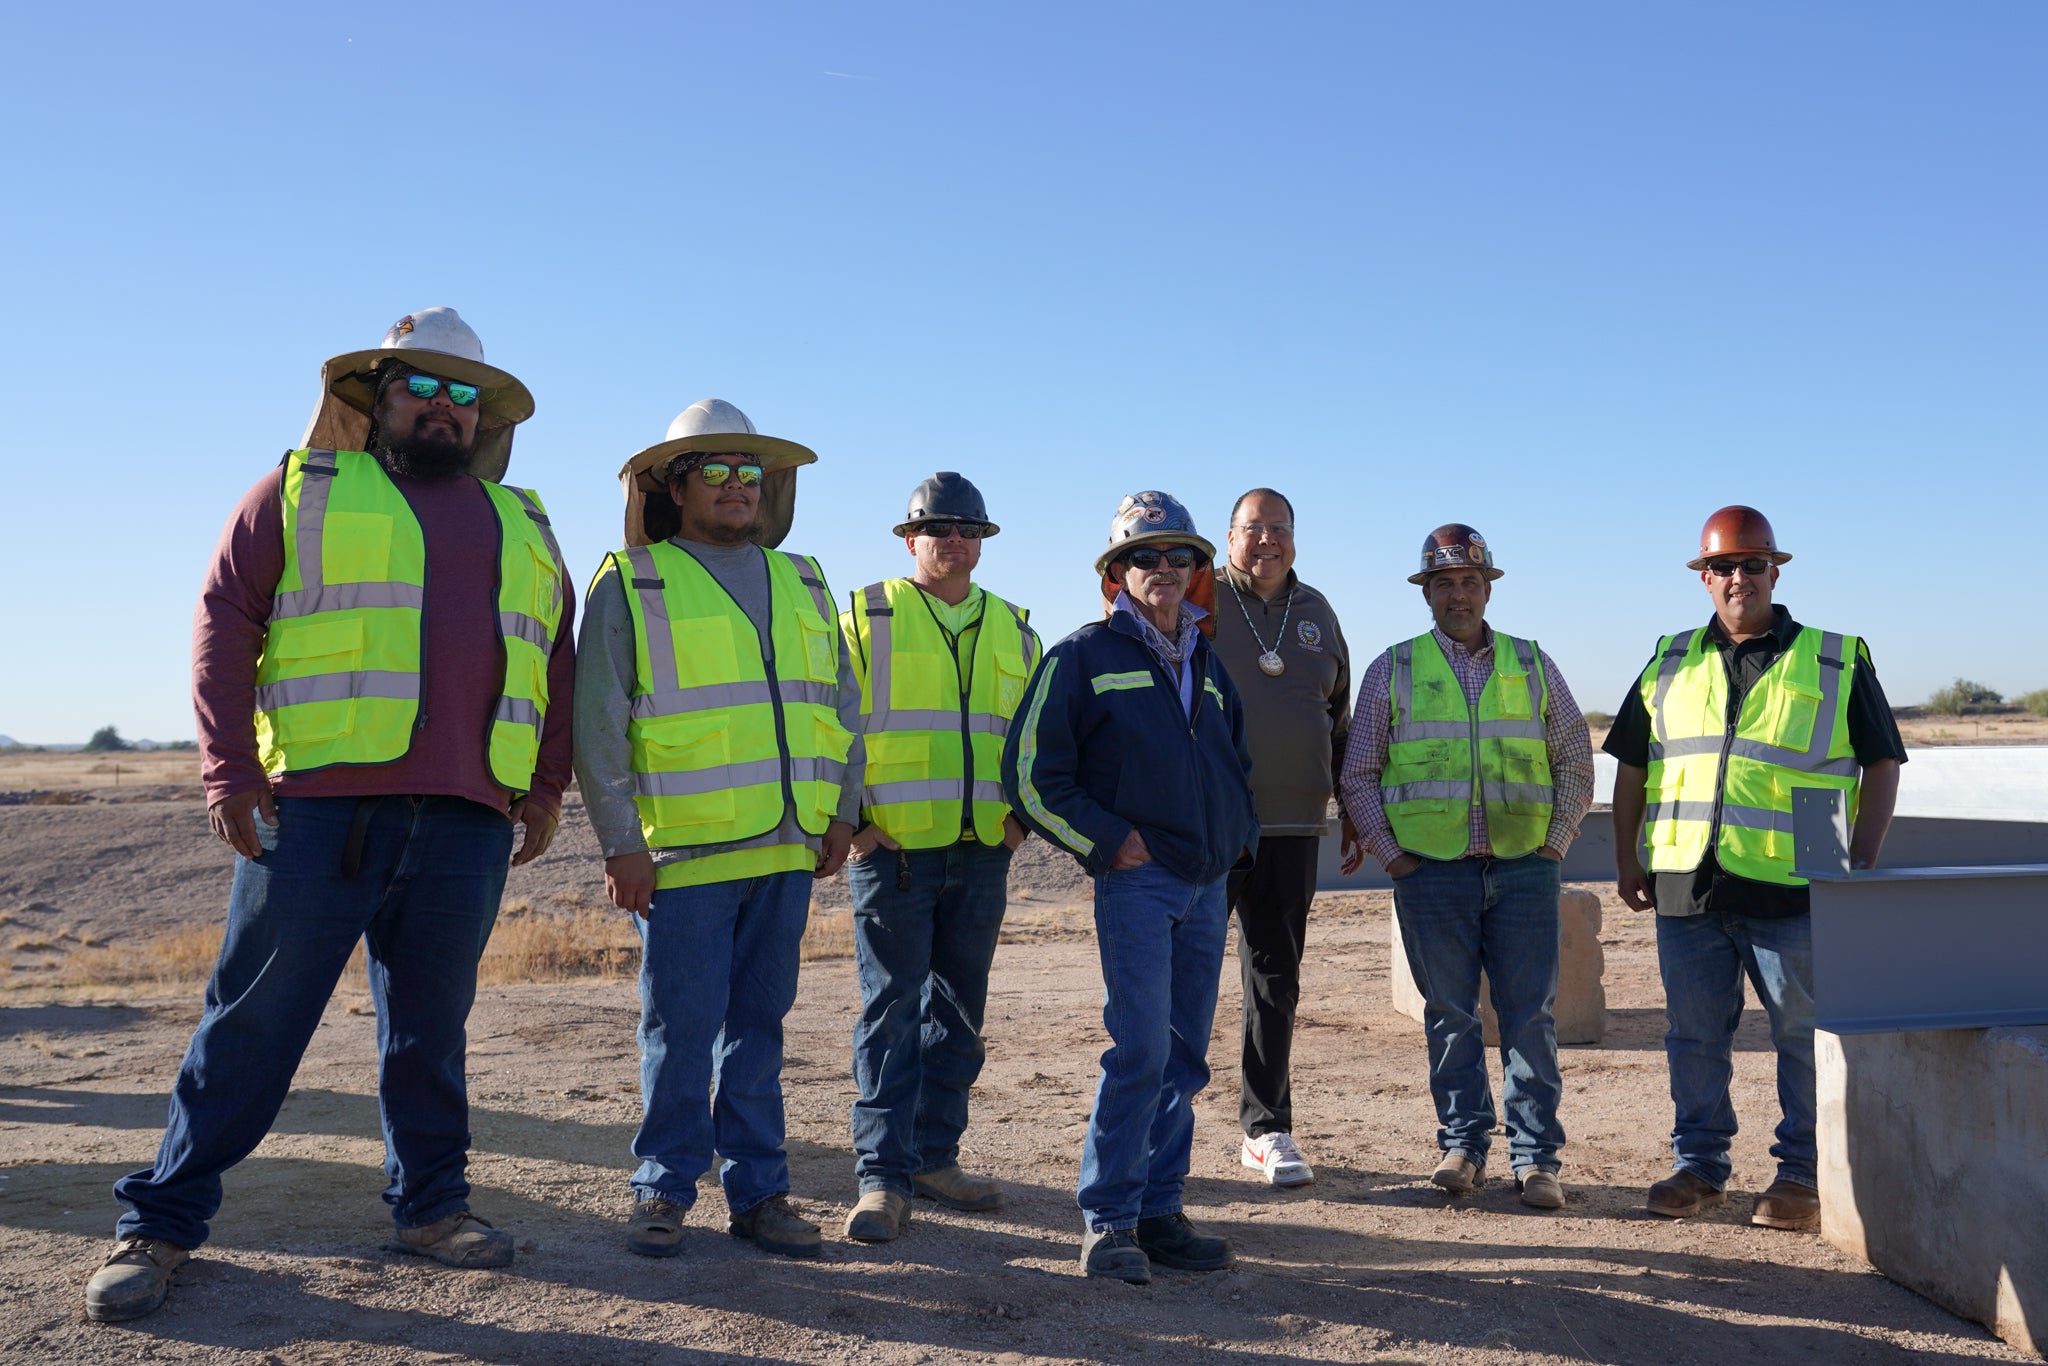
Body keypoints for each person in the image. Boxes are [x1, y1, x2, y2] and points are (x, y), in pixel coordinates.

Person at [88, 308, 574, 1323]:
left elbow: (555, 660)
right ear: (377, 395)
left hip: (466, 817)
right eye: (420, 388)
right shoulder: (298, 491)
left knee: (431, 1033)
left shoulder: (523, 522)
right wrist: (228, 769)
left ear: (479, 414)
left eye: (460, 395)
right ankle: (161, 1221)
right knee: (253, 1024)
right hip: (316, 813)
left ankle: (432, 1208)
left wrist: (543, 787)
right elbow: (225, 614)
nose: (441, 409)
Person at [575, 398, 861, 1261]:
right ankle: (662, 1189)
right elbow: (598, 722)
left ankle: (762, 1194)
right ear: (675, 484)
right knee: (680, 1030)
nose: (739, 488)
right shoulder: (633, 580)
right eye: (717, 472)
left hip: (786, 846)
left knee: (760, 1029)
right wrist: (622, 842)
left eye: (751, 473)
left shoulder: (804, 578)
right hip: (685, 853)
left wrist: (842, 810)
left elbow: (841, 703)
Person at [1606, 505, 1902, 1232]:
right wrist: (1627, 858)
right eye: (1722, 567)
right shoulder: (1669, 658)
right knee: (1694, 1034)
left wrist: (1859, 859)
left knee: (1801, 1034)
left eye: (1751, 565)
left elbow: (1882, 761)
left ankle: (1800, 1173)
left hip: (1794, 885)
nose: (1738, 578)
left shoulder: (1836, 657)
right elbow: (1634, 768)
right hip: (1686, 882)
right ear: (1703, 578)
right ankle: (1699, 1166)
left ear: (1776, 570)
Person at [1001, 491, 1259, 1284]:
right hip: (1139, 884)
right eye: (1145, 557)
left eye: (1180, 556)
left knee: (1184, 1059)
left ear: (1197, 570)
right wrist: (1111, 843)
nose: (1164, 569)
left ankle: (1159, 1210)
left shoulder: (1209, 664)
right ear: (1116, 572)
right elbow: (1032, 777)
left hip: (1205, 886)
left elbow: (1234, 765)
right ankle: (1108, 1221)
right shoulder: (1081, 656)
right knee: (1142, 1051)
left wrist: (1235, 842)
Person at [1338, 524, 1593, 1210]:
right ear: (1426, 592)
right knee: (1449, 1015)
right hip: (1431, 873)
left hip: (1523, 869)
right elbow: (1358, 774)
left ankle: (1537, 1160)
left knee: (1529, 1016)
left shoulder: (1531, 662)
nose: (1459, 595)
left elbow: (1573, 755)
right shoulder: (1391, 669)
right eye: (1444, 583)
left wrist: (1555, 842)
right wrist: (1393, 857)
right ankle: (1464, 1145)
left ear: (1488, 588)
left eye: (1470, 582)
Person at [835, 473, 1041, 1241]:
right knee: (891, 1013)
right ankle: (881, 1177)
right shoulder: (865, 615)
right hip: (894, 854)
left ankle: (934, 1155)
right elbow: (828, 722)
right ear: (910, 538)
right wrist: (853, 824)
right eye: (938, 527)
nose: (954, 539)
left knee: (958, 1016)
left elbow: (1037, 742)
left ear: (983, 541)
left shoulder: (1018, 630)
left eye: (968, 529)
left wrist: (1018, 823)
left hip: (983, 851)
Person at [1209, 488, 1354, 1187]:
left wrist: (1353, 812)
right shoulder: (1199, 598)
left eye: (1279, 529)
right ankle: (1158, 1127)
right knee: (1181, 981)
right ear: (1228, 536)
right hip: (1208, 828)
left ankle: (1266, 1129)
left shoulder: (1318, 613)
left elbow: (1341, 721)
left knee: (1275, 981)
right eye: (1253, 529)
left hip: (1294, 828)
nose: (1267, 540)